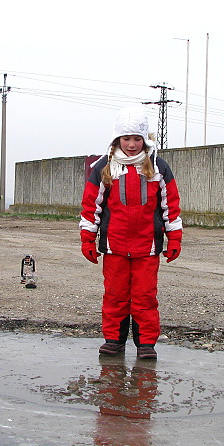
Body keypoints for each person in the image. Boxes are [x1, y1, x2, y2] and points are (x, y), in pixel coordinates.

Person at [79, 107, 183, 360]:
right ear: (117, 140)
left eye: (137, 139)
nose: (132, 144)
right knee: (115, 295)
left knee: (145, 297)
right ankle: (113, 340)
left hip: (148, 247)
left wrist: (175, 238)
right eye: (126, 139)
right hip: (114, 246)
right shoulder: (103, 167)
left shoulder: (158, 167)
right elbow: (91, 205)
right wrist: (87, 239)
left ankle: (146, 344)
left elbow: (170, 204)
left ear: (144, 140)